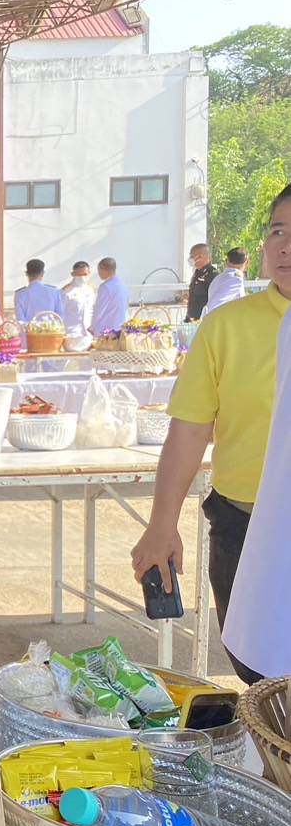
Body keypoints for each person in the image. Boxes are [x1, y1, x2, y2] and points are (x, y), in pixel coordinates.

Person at [132, 186, 291, 685]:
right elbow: (189, 429)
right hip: (244, 524)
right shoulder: (226, 327)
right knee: (257, 668)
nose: (285, 245)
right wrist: (162, 524)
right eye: (278, 231)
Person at [222, 200, 291, 681]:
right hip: (257, 524)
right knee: (265, 680)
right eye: (277, 230)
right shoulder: (243, 323)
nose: (284, 245)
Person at [14, 259, 65, 326]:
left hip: (29, 334)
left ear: (27, 274)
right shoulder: (54, 292)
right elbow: (60, 316)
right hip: (51, 333)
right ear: (43, 274)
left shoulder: (20, 294)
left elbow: (20, 320)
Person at [89, 257, 129, 335]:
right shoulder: (122, 284)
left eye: (99, 270)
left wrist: (92, 328)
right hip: (121, 328)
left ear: (103, 269)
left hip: (106, 330)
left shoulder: (106, 287)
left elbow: (99, 310)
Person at [61, 260, 96, 348]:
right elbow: (60, 313)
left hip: (87, 332)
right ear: (72, 274)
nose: (82, 277)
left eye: (84, 274)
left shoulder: (90, 290)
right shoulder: (66, 291)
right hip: (71, 332)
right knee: (63, 359)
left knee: (87, 360)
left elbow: (91, 310)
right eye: (79, 275)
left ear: (89, 273)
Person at [205, 247, 249, 314]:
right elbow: (213, 305)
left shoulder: (220, 277)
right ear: (247, 263)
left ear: (227, 261)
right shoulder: (235, 280)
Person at [185, 243, 218, 322]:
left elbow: (213, 298)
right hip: (192, 318)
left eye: (192, 256)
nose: (190, 259)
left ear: (200, 256)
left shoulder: (212, 274)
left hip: (204, 320)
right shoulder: (197, 272)